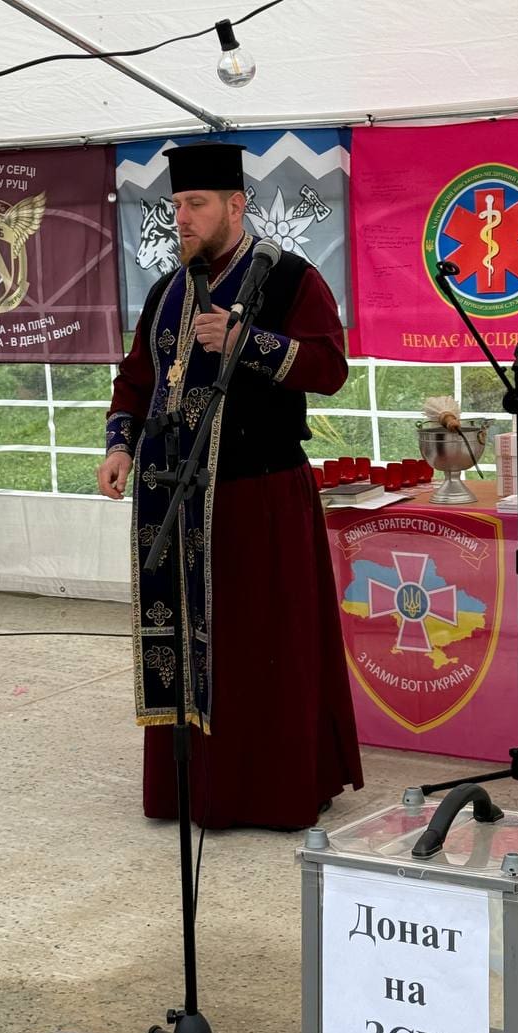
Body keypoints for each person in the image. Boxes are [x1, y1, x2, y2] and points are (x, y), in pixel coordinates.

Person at [98, 142, 363, 829]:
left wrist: (250, 342)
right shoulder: (166, 291)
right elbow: (136, 378)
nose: (182, 218)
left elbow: (331, 368)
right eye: (176, 205)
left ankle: (269, 791)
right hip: (174, 497)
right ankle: (190, 790)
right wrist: (120, 446)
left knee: (260, 647)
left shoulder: (291, 278)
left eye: (196, 204)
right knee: (190, 644)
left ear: (236, 205)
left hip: (260, 495)